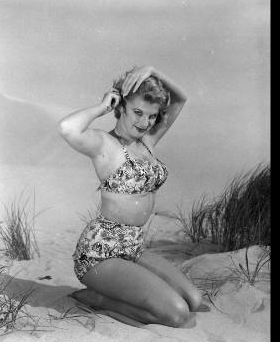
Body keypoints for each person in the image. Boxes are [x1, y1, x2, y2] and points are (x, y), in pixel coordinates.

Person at [58, 66, 202, 327]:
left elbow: (180, 99)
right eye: (137, 112)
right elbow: (68, 128)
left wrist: (152, 70)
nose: (144, 122)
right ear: (121, 106)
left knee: (194, 300)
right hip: (100, 254)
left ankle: (115, 293)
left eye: (151, 116)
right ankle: (98, 299)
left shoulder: (147, 141)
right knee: (177, 314)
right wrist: (101, 107)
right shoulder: (105, 145)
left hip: (133, 247)